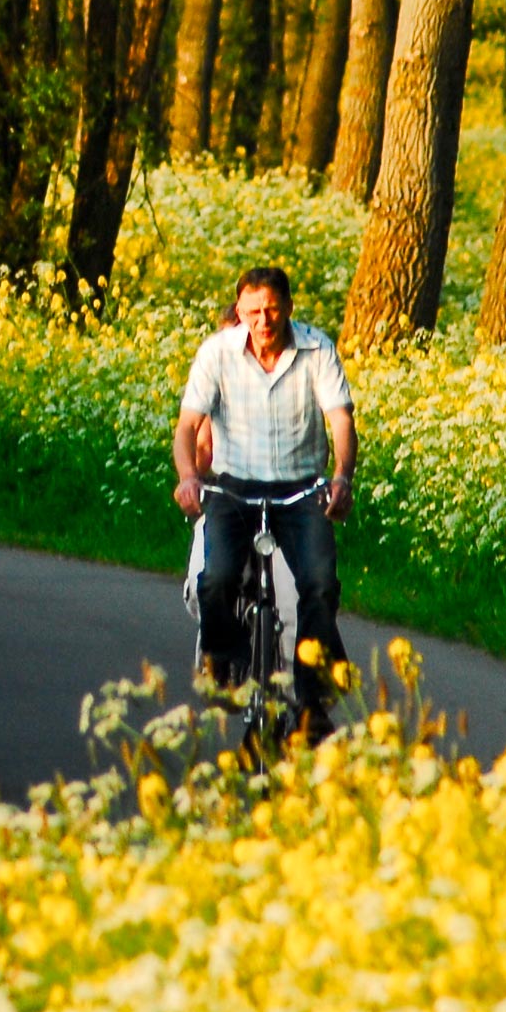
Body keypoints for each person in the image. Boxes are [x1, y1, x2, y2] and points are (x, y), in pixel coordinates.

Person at [173, 265, 358, 740]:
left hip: (298, 491)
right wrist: (189, 478)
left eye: (272, 309)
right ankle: (221, 656)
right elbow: (187, 427)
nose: (263, 320)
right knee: (216, 581)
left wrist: (341, 478)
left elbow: (339, 420)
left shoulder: (317, 350)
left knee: (318, 585)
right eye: (253, 311)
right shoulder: (217, 353)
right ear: (240, 312)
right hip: (234, 491)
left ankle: (312, 702)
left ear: (289, 309)